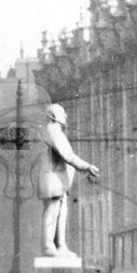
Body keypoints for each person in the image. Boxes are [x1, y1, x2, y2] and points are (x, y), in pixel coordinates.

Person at [37, 102, 99, 257]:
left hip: (59, 179)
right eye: (62, 113)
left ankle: (60, 245)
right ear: (52, 116)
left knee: (61, 211)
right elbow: (68, 155)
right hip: (52, 178)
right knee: (52, 211)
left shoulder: (56, 131)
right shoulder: (52, 131)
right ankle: (48, 246)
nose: (65, 115)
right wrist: (87, 166)